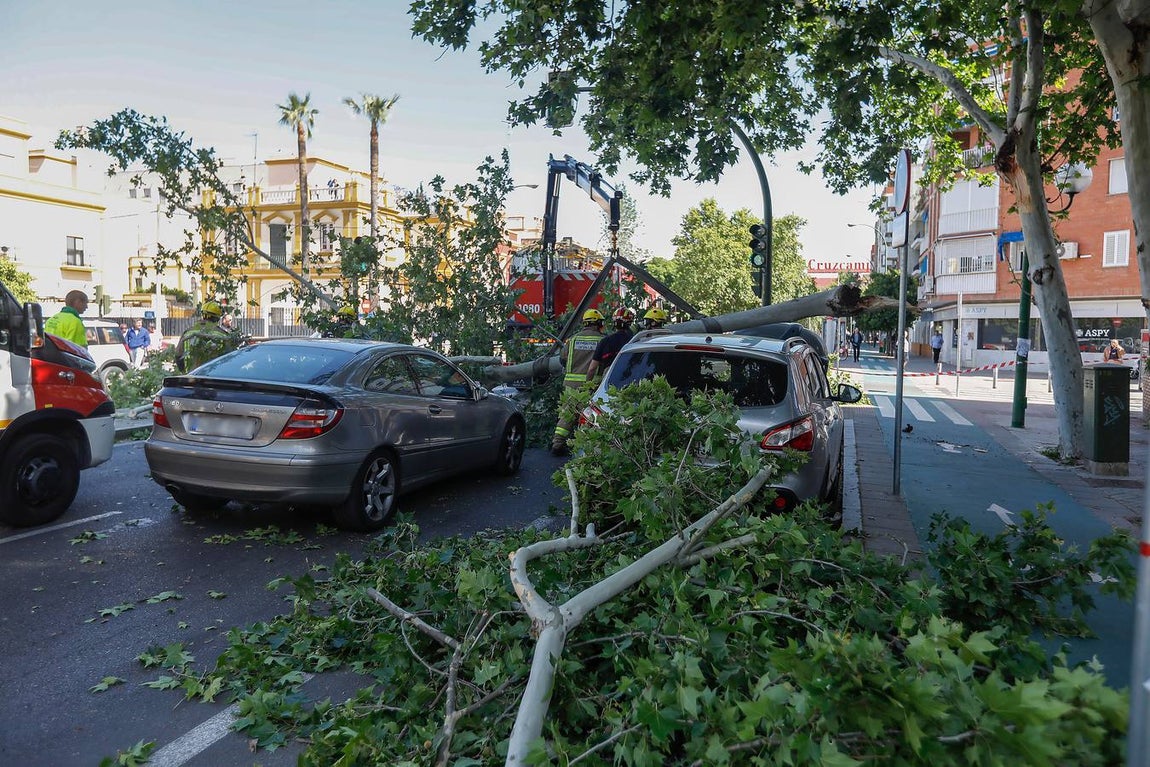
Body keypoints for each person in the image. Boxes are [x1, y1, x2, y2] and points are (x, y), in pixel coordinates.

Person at [551, 308, 606, 456]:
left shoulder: (573, 340)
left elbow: (562, 359)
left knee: (567, 415)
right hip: (591, 385)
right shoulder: (601, 340)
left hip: (570, 385)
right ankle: (582, 447)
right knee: (589, 416)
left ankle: (557, 443)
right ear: (598, 324)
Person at [174, 301, 241, 372]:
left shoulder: (187, 333)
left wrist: (184, 372)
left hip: (191, 377)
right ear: (217, 318)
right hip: (213, 377)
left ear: (202, 315)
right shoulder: (223, 335)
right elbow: (230, 358)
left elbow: (178, 356)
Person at [586, 308, 635, 380]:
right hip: (630, 379)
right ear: (630, 323)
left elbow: (592, 368)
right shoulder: (635, 341)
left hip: (608, 381)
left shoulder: (605, 341)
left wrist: (587, 386)